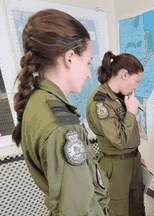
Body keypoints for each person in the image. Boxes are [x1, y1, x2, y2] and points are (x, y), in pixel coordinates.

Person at [12, 9, 109, 216]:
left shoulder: (37, 101)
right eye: (88, 61)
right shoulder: (62, 127)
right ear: (70, 58)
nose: (89, 72)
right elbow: (78, 210)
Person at [86, 51, 146, 216]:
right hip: (116, 165)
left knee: (137, 207)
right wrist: (131, 113)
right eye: (136, 81)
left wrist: (136, 155)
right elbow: (118, 140)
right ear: (124, 74)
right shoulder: (100, 103)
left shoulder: (119, 97)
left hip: (132, 160)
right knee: (119, 210)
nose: (136, 87)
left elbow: (129, 133)